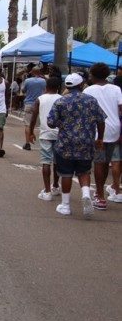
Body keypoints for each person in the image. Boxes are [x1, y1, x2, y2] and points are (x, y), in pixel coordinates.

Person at [47, 73, 105, 218]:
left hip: (66, 143)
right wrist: (100, 138)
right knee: (84, 171)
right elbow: (101, 120)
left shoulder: (61, 101)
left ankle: (65, 205)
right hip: (86, 142)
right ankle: (85, 194)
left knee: (66, 173)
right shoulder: (91, 100)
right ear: (81, 85)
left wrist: (62, 123)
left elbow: (51, 122)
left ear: (67, 86)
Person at [82, 62, 122, 210]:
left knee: (99, 163)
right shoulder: (116, 89)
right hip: (114, 128)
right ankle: (100, 193)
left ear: (92, 75)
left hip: (97, 129)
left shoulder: (89, 90)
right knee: (105, 162)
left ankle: (100, 196)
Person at [29, 76, 62, 201]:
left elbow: (33, 117)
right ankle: (55, 186)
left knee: (46, 161)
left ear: (46, 86)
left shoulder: (40, 99)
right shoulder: (62, 99)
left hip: (45, 133)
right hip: (59, 134)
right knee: (57, 162)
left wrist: (31, 132)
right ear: (58, 87)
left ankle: (47, 191)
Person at [21, 67, 46, 150]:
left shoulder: (27, 81)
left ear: (32, 72)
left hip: (29, 104)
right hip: (39, 104)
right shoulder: (43, 81)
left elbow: (23, 91)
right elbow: (46, 90)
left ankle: (27, 143)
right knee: (39, 125)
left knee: (27, 124)